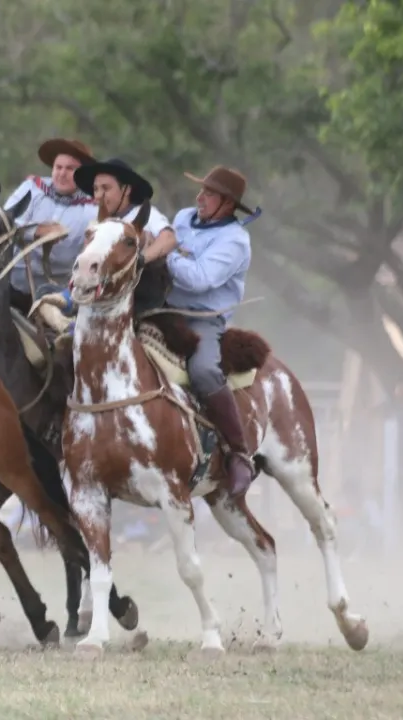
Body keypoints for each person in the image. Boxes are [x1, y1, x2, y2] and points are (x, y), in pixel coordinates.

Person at [162, 166, 260, 498]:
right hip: (160, 312)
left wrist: (164, 253)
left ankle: (239, 453)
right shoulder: (183, 217)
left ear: (227, 203)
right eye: (201, 190)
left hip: (202, 320)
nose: (199, 198)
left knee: (203, 371)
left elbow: (200, 278)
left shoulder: (235, 240)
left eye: (209, 193)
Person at [4, 138, 99, 306]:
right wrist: (36, 232)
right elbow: (3, 224)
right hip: (7, 283)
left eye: (70, 169)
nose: (62, 174)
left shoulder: (93, 211)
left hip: (53, 297)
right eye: (58, 167)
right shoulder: (31, 189)